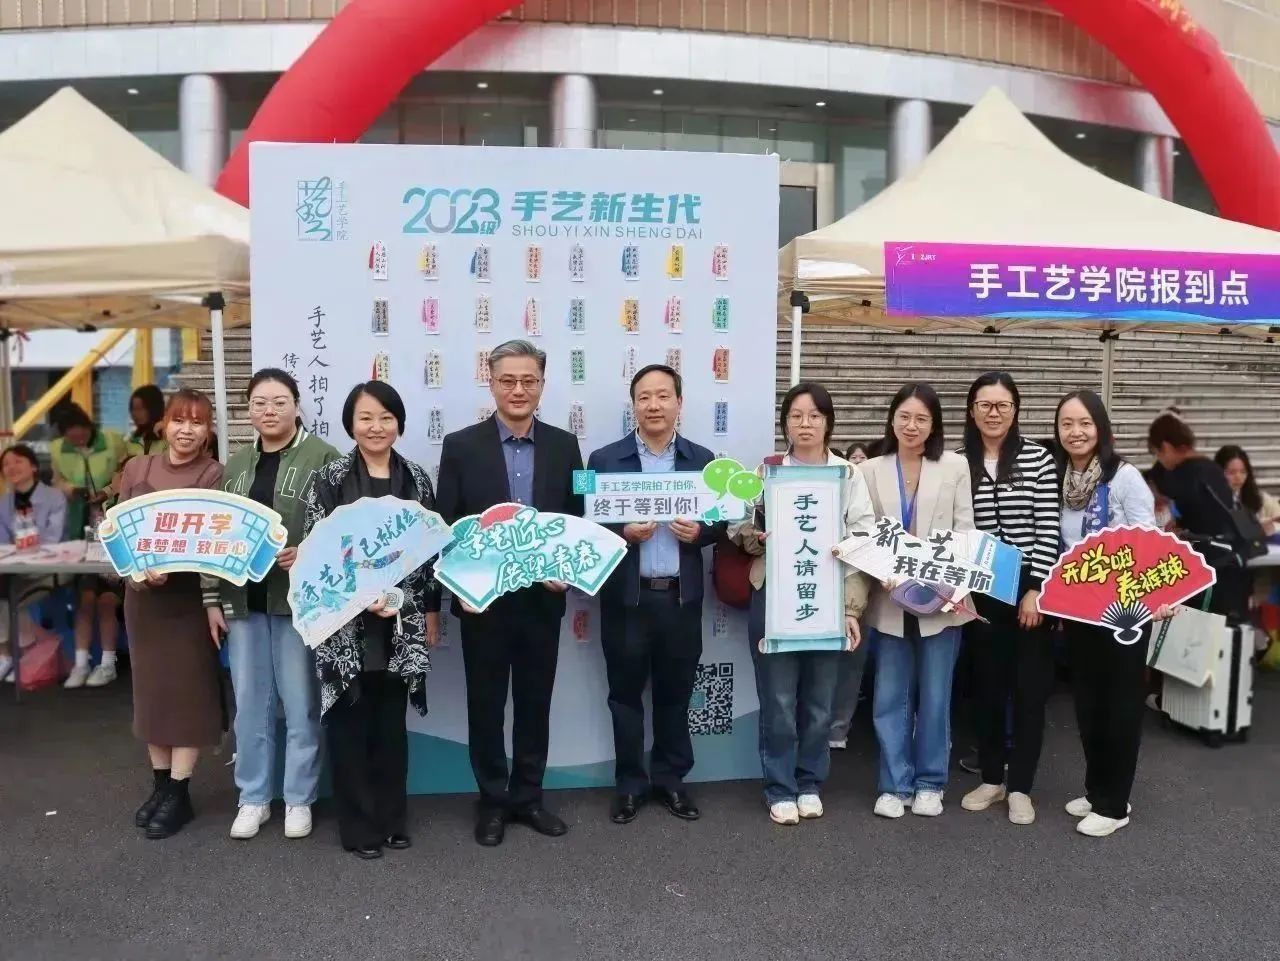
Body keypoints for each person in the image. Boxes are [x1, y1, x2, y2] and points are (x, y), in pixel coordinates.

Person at [435, 339, 584, 847]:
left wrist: (567, 569)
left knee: (535, 704)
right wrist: (461, 587)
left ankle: (529, 797)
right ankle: (493, 802)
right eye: (508, 380)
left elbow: (576, 520)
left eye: (528, 380)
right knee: (486, 705)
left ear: (542, 384)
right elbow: (448, 527)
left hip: (543, 601)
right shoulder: (461, 445)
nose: (518, 389)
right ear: (491, 382)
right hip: (484, 604)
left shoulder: (565, 446)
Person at [303, 381, 440, 860]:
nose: (376, 427)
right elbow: (317, 552)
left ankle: (392, 819)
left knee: (391, 726)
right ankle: (358, 827)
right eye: (365, 418)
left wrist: (425, 608)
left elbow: (431, 553)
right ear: (350, 424)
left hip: (401, 623)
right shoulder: (330, 478)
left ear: (398, 423)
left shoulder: (417, 479)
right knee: (350, 724)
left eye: (385, 417)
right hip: (343, 624)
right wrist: (362, 597)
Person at [729, 382, 872, 825]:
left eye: (814, 416)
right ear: (785, 423)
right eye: (796, 416)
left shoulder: (848, 475)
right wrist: (756, 536)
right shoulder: (768, 471)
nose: (805, 424)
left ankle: (810, 782)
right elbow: (737, 524)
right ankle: (779, 787)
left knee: (819, 701)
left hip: (827, 600)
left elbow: (863, 538)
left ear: (828, 422)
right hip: (775, 600)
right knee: (778, 700)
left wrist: (851, 608)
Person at [208, 369, 340, 842]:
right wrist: (211, 599)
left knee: (300, 703)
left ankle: (299, 798)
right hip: (243, 601)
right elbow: (217, 534)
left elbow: (342, 531)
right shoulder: (237, 465)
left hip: (298, 603)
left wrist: (309, 551)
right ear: (248, 410)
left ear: (297, 405)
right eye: (260, 403)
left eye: (280, 401)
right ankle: (254, 798)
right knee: (249, 705)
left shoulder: (324, 457)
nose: (269, 410)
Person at [587, 364, 721, 825]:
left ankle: (671, 780)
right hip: (628, 600)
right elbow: (585, 522)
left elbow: (722, 520)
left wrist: (701, 533)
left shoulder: (702, 461)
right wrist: (621, 532)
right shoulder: (604, 460)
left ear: (679, 403)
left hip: (680, 600)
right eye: (644, 397)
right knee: (624, 697)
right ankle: (630, 785)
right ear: (634, 406)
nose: (654, 405)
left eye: (663, 396)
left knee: (675, 695)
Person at [861, 383, 975, 820]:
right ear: (892, 420)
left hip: (942, 601)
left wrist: (948, 581)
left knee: (935, 696)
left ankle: (930, 783)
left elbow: (965, 529)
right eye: (904, 417)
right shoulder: (869, 469)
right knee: (889, 696)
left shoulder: (955, 465)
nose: (912, 426)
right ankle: (894, 784)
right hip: (889, 597)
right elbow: (863, 533)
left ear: (934, 424)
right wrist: (885, 572)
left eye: (921, 418)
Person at [955, 373, 1061, 826]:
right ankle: (992, 778)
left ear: (1015, 410)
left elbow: (1047, 527)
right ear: (972, 410)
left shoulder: (1038, 459)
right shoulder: (958, 462)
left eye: (1002, 405)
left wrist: (1036, 588)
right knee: (987, 687)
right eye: (985, 405)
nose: (993, 413)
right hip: (980, 589)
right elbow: (955, 528)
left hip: (1027, 591)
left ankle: (1020, 786)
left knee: (1029, 690)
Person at [119, 389, 225, 839]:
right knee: (152, 695)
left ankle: (180, 792)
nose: (187, 430)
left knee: (187, 695)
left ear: (208, 431)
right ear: (163, 424)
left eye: (197, 423)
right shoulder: (136, 468)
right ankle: (161, 786)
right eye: (179, 420)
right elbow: (119, 535)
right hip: (143, 602)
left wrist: (213, 602)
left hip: (188, 603)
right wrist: (138, 575)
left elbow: (216, 545)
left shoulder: (213, 474)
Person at [1055, 390, 1159, 838]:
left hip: (1124, 610)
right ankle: (1098, 789)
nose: (1075, 432)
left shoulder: (1124, 478)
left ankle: (1115, 805)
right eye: (1066, 424)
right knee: (1089, 704)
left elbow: (1148, 541)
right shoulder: (1061, 478)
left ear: (1101, 428)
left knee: (1120, 705)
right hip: (1080, 608)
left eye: (1085, 423)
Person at [50, 403, 128, 689]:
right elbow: (57, 480)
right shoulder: (58, 450)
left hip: (113, 526)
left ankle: (108, 663)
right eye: (72, 438)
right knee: (85, 599)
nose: (79, 440)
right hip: (81, 525)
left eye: (82, 434)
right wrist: (70, 489)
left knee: (107, 601)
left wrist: (106, 492)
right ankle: (81, 663)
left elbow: (125, 472)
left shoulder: (112, 441)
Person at [1146, 414, 1249, 622]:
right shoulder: (1207, 469)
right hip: (1220, 565)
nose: (1160, 460)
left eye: (1158, 453)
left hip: (1210, 569)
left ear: (1166, 447)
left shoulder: (1187, 473)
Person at [0, 445, 67, 683]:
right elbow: (2, 543)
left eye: (18, 461)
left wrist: (23, 548)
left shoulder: (54, 497)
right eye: (6, 464)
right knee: (4, 591)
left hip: (53, 566)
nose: (11, 467)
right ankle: (7, 653)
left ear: (34, 467)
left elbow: (53, 539)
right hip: (15, 569)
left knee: (8, 596)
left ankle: (19, 652)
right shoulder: (3, 503)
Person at [1215, 445, 1280, 534]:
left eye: (1243, 472)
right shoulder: (1211, 501)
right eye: (1231, 472)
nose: (1238, 477)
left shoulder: (1263, 500)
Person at [125, 385, 168, 458]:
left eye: (139, 409)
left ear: (153, 408)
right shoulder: (132, 440)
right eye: (133, 409)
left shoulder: (168, 437)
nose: (134, 414)